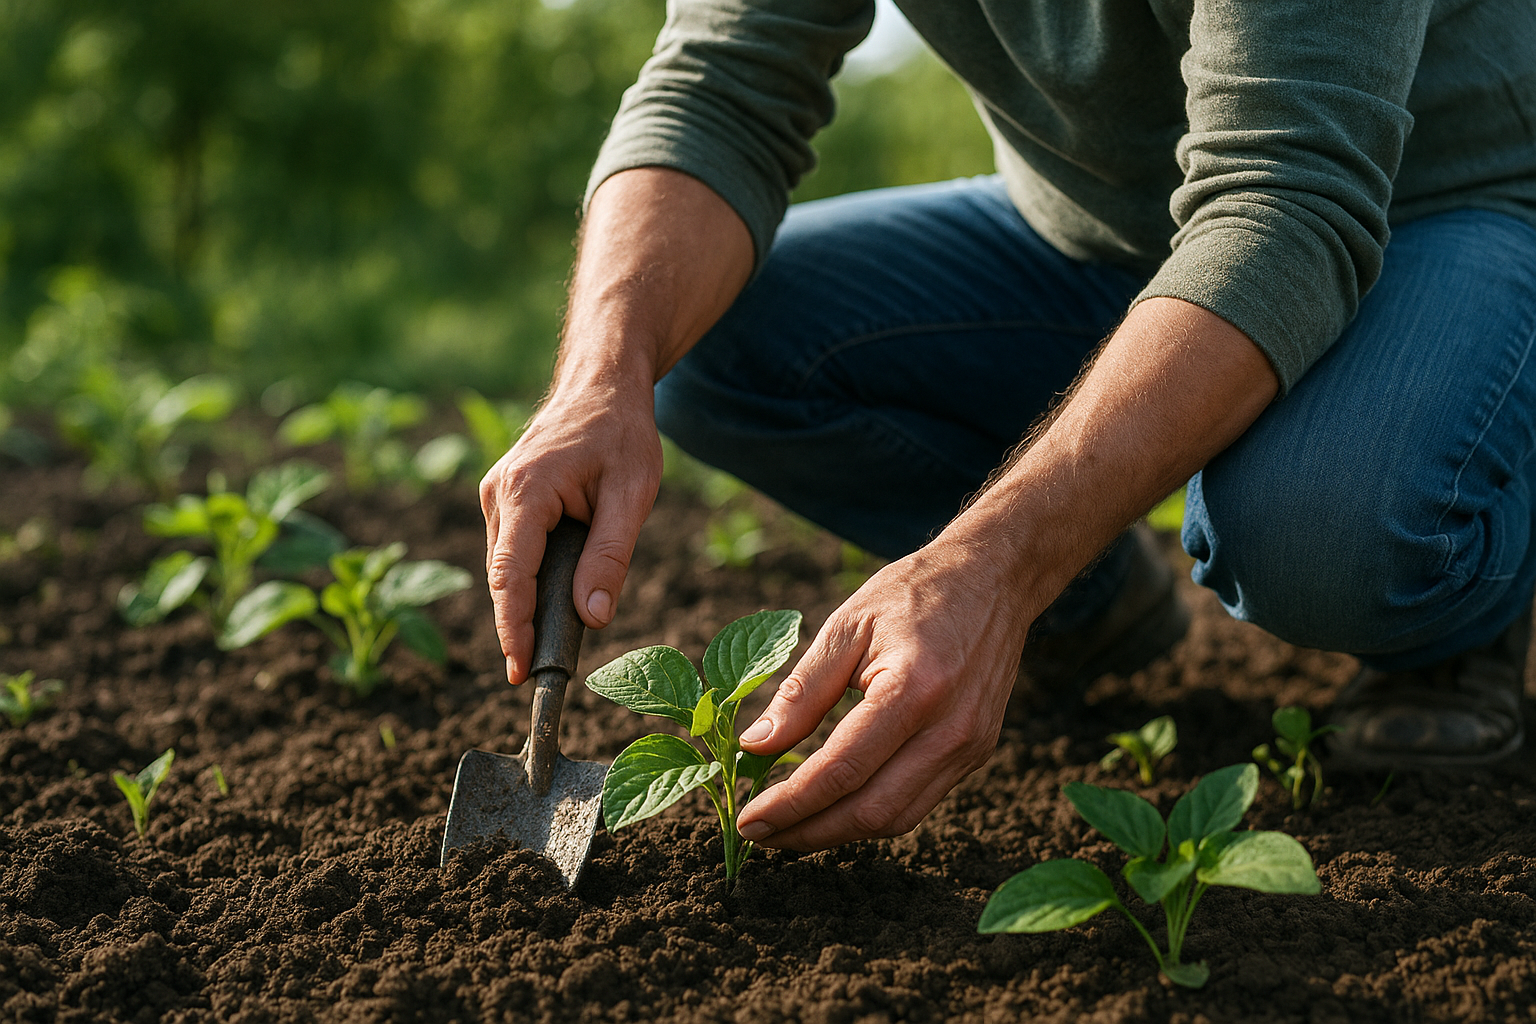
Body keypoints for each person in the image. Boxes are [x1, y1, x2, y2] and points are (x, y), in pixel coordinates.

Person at [480, 0, 1536, 852]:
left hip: (1437, 208)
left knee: (1323, 534)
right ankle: (1089, 607)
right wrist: (597, 377)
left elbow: (1285, 203)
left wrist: (999, 559)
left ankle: (1458, 617)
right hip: (1108, 234)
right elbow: (719, 90)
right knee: (697, 340)